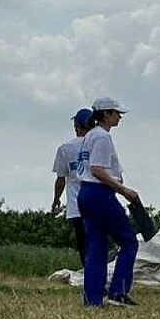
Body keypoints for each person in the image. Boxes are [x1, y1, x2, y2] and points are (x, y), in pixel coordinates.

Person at [76, 97, 140, 307]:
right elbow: (97, 169)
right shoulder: (103, 137)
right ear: (105, 114)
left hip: (85, 193)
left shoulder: (90, 136)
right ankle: (118, 292)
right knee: (129, 241)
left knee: (96, 246)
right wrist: (123, 189)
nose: (119, 117)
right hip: (99, 193)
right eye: (116, 113)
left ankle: (93, 298)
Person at [51, 108, 93, 268]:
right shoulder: (99, 143)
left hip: (77, 207)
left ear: (76, 126)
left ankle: (90, 276)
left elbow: (60, 180)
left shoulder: (66, 149)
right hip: (98, 204)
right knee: (99, 243)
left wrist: (56, 200)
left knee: (83, 244)